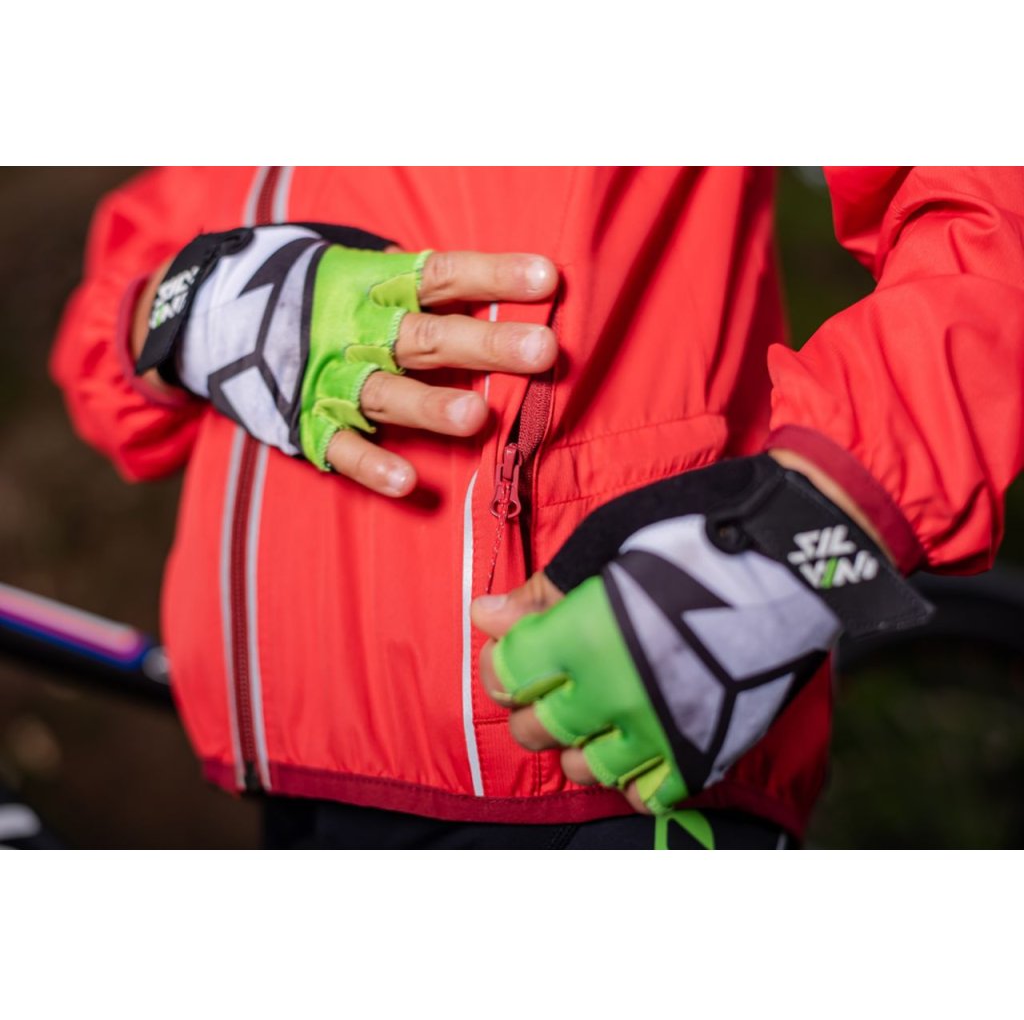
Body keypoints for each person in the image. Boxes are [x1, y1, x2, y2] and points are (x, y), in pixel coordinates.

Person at [50, 167, 1024, 849]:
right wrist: (181, 310)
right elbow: (111, 336)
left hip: (602, 722)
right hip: (285, 774)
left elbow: (987, 193)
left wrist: (816, 515)